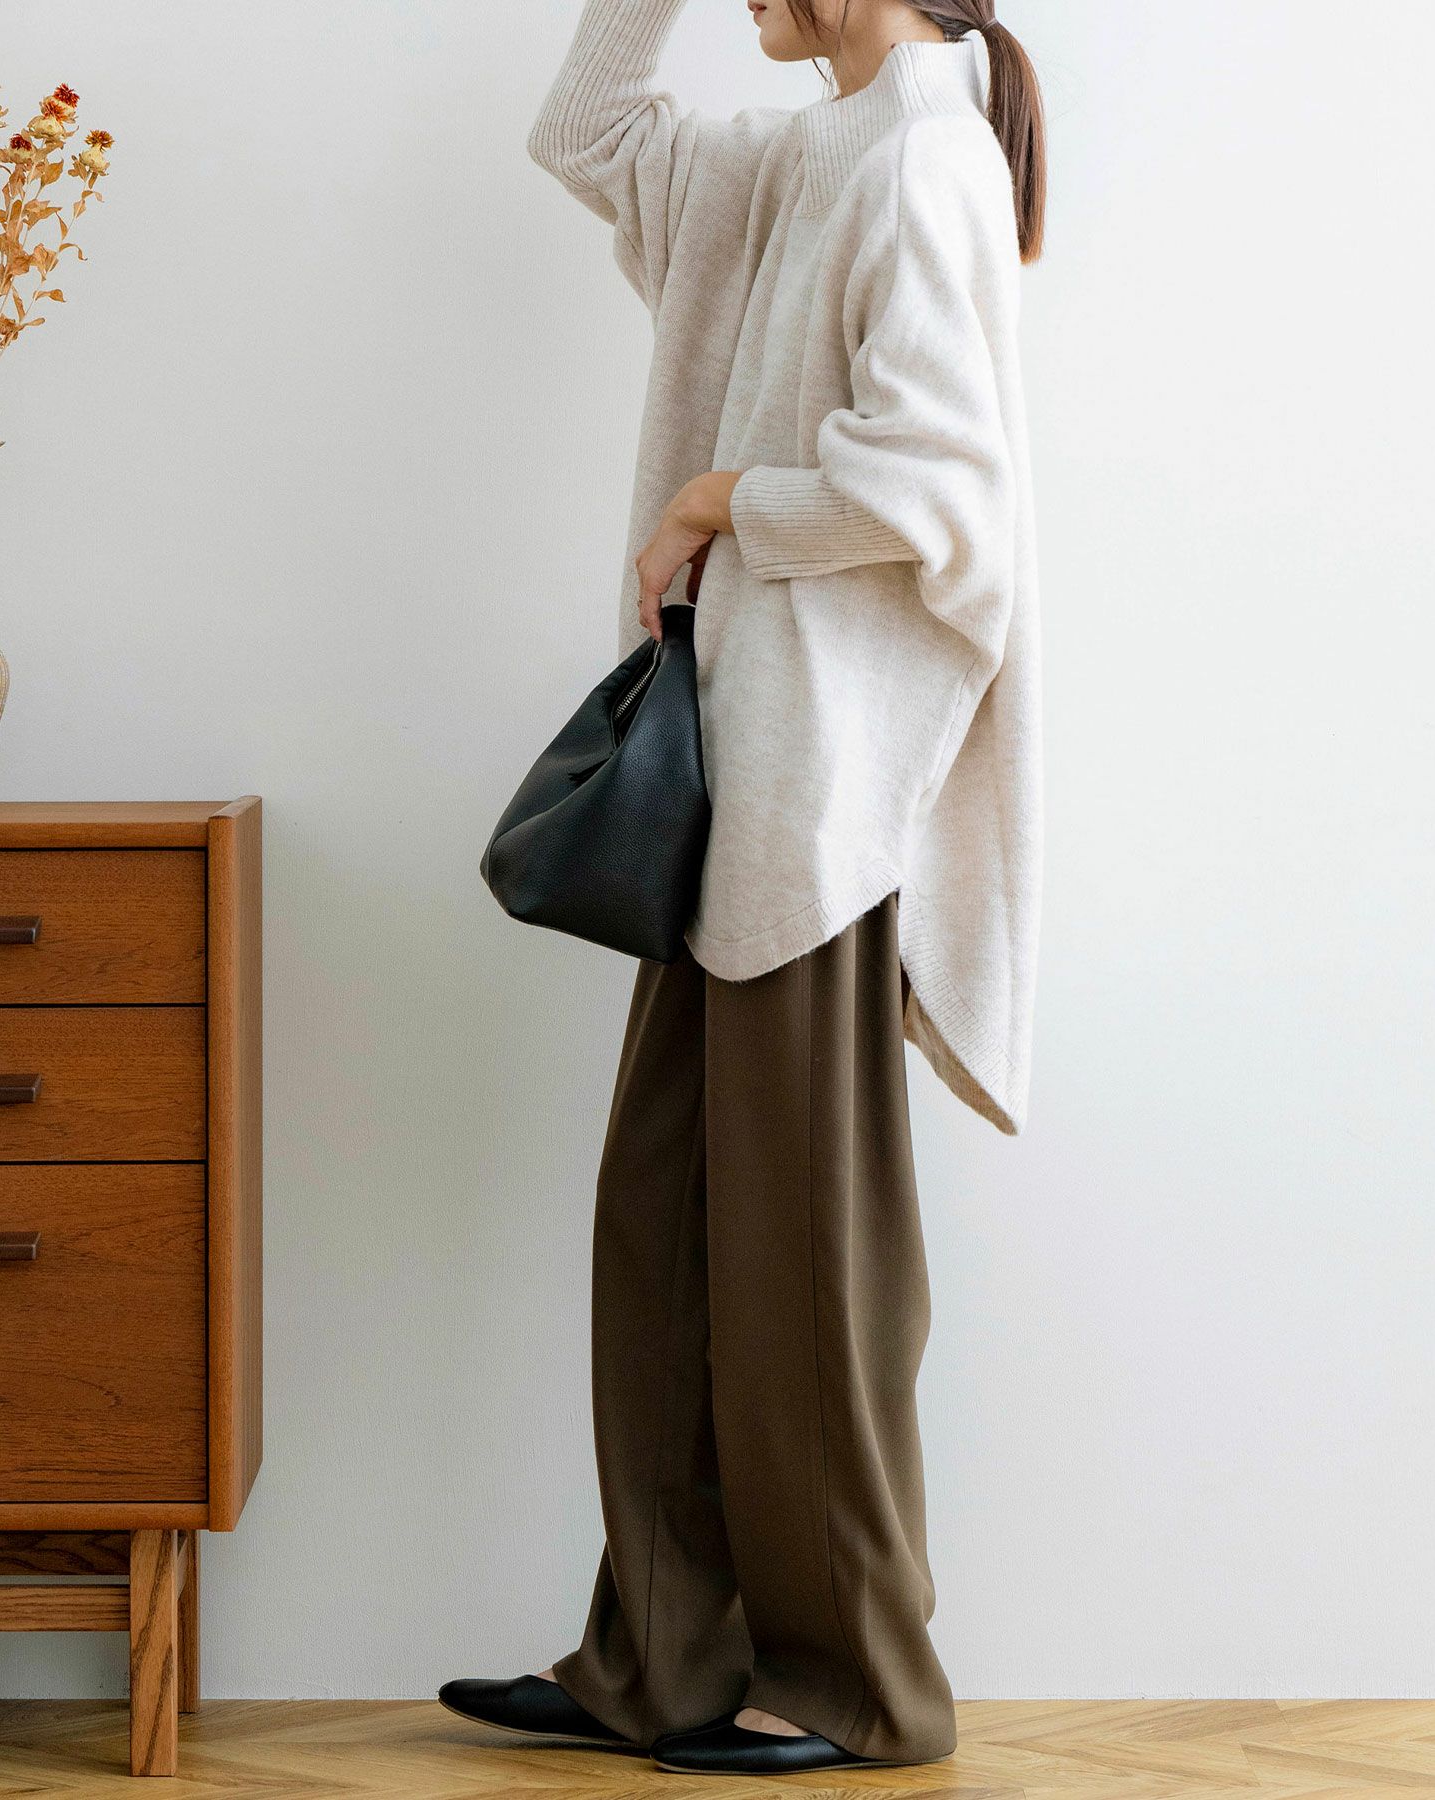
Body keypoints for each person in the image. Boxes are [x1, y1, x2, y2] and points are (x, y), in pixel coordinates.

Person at [443, 0, 1046, 1776]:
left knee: (805, 1273)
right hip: (736, 779)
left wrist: (717, 495)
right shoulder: (807, 155)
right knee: (671, 1242)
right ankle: (663, 1657)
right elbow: (587, 128)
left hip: (819, 797)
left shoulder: (923, 160)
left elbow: (943, 485)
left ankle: (858, 1683)